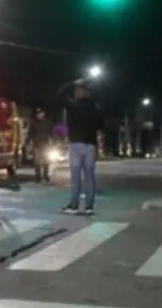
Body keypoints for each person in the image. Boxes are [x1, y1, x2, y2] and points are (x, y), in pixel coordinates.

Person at [59, 79, 104, 215]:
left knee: (76, 177)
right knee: (89, 177)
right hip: (90, 145)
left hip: (75, 144)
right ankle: (89, 206)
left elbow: (59, 95)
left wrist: (71, 83)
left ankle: (74, 205)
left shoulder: (73, 106)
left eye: (77, 90)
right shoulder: (96, 108)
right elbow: (101, 125)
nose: (76, 92)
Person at [29, 106, 54, 183]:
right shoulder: (33, 123)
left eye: (40, 113)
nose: (39, 115)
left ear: (43, 114)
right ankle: (38, 176)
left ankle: (45, 175)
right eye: (37, 114)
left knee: (46, 161)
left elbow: (51, 133)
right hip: (36, 144)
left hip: (46, 144)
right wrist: (29, 142)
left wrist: (52, 142)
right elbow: (30, 133)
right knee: (37, 161)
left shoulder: (48, 123)